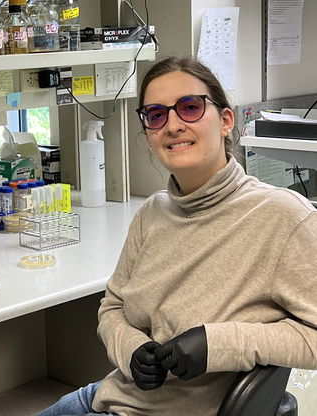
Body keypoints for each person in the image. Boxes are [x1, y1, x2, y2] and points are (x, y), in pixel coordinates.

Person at [35, 56, 317, 416]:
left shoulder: (283, 218)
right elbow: (112, 308)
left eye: (190, 107)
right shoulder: (152, 213)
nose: (172, 125)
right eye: (156, 114)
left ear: (226, 121)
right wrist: (131, 349)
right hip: (111, 394)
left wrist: (219, 343)